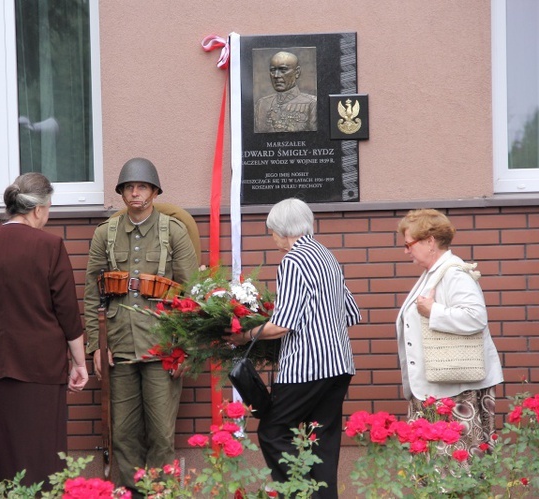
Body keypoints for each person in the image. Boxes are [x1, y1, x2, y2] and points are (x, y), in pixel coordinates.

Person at [0, 172, 88, 488]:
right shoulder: (50, 245)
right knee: (44, 459)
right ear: (38, 209)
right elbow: (68, 312)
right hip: (40, 367)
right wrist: (80, 363)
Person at [225, 198, 360, 498]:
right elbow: (350, 312)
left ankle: (300, 494)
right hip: (339, 364)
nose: (272, 238)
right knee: (322, 440)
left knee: (272, 432)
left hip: (306, 368)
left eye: (271, 231)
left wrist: (244, 336)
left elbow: (284, 323)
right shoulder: (327, 256)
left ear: (282, 230)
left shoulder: (294, 261)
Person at [84, 157, 198, 493]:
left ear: (153, 191)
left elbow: (192, 293)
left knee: (161, 432)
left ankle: (159, 492)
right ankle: (134, 491)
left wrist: (186, 346)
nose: (136, 192)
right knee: (123, 432)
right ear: (121, 193)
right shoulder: (105, 234)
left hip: (163, 345)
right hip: (118, 345)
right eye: (129, 187)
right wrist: (95, 345)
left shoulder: (173, 232)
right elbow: (93, 292)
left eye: (142, 187)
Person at [396, 209, 503, 455]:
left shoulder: (454, 274)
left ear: (430, 241)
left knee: (455, 469)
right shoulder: (433, 274)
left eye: (409, 243)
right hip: (438, 388)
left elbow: (476, 317)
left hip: (455, 393)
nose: (406, 250)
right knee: (436, 470)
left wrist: (433, 311)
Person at [254, 51, 318, 133]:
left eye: (283, 70)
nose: (276, 75)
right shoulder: (262, 104)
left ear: (297, 72)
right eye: (273, 70)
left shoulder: (312, 104)